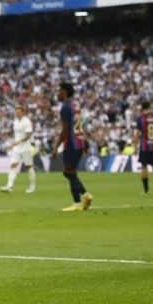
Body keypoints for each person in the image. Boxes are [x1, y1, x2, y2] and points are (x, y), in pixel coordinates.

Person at [51, 82, 93, 211]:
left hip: (71, 144)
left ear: (64, 92)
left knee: (70, 172)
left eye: (59, 91)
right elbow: (80, 125)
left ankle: (80, 200)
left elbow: (65, 131)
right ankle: (82, 197)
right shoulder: (76, 105)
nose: (57, 94)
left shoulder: (65, 107)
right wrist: (85, 143)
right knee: (68, 172)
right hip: (79, 142)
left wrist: (56, 147)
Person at [0, 105, 36, 193]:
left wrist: (18, 141)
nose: (17, 113)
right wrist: (14, 143)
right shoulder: (15, 121)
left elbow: (28, 135)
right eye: (16, 112)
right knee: (13, 165)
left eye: (19, 112)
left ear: (23, 112)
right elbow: (17, 134)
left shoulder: (27, 121)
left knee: (29, 167)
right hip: (17, 148)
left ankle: (32, 186)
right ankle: (9, 186)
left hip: (26, 148)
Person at [133, 102, 153, 196]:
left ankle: (146, 191)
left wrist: (135, 147)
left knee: (144, 167)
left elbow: (137, 135)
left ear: (142, 108)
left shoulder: (140, 118)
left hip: (144, 146)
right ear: (149, 107)